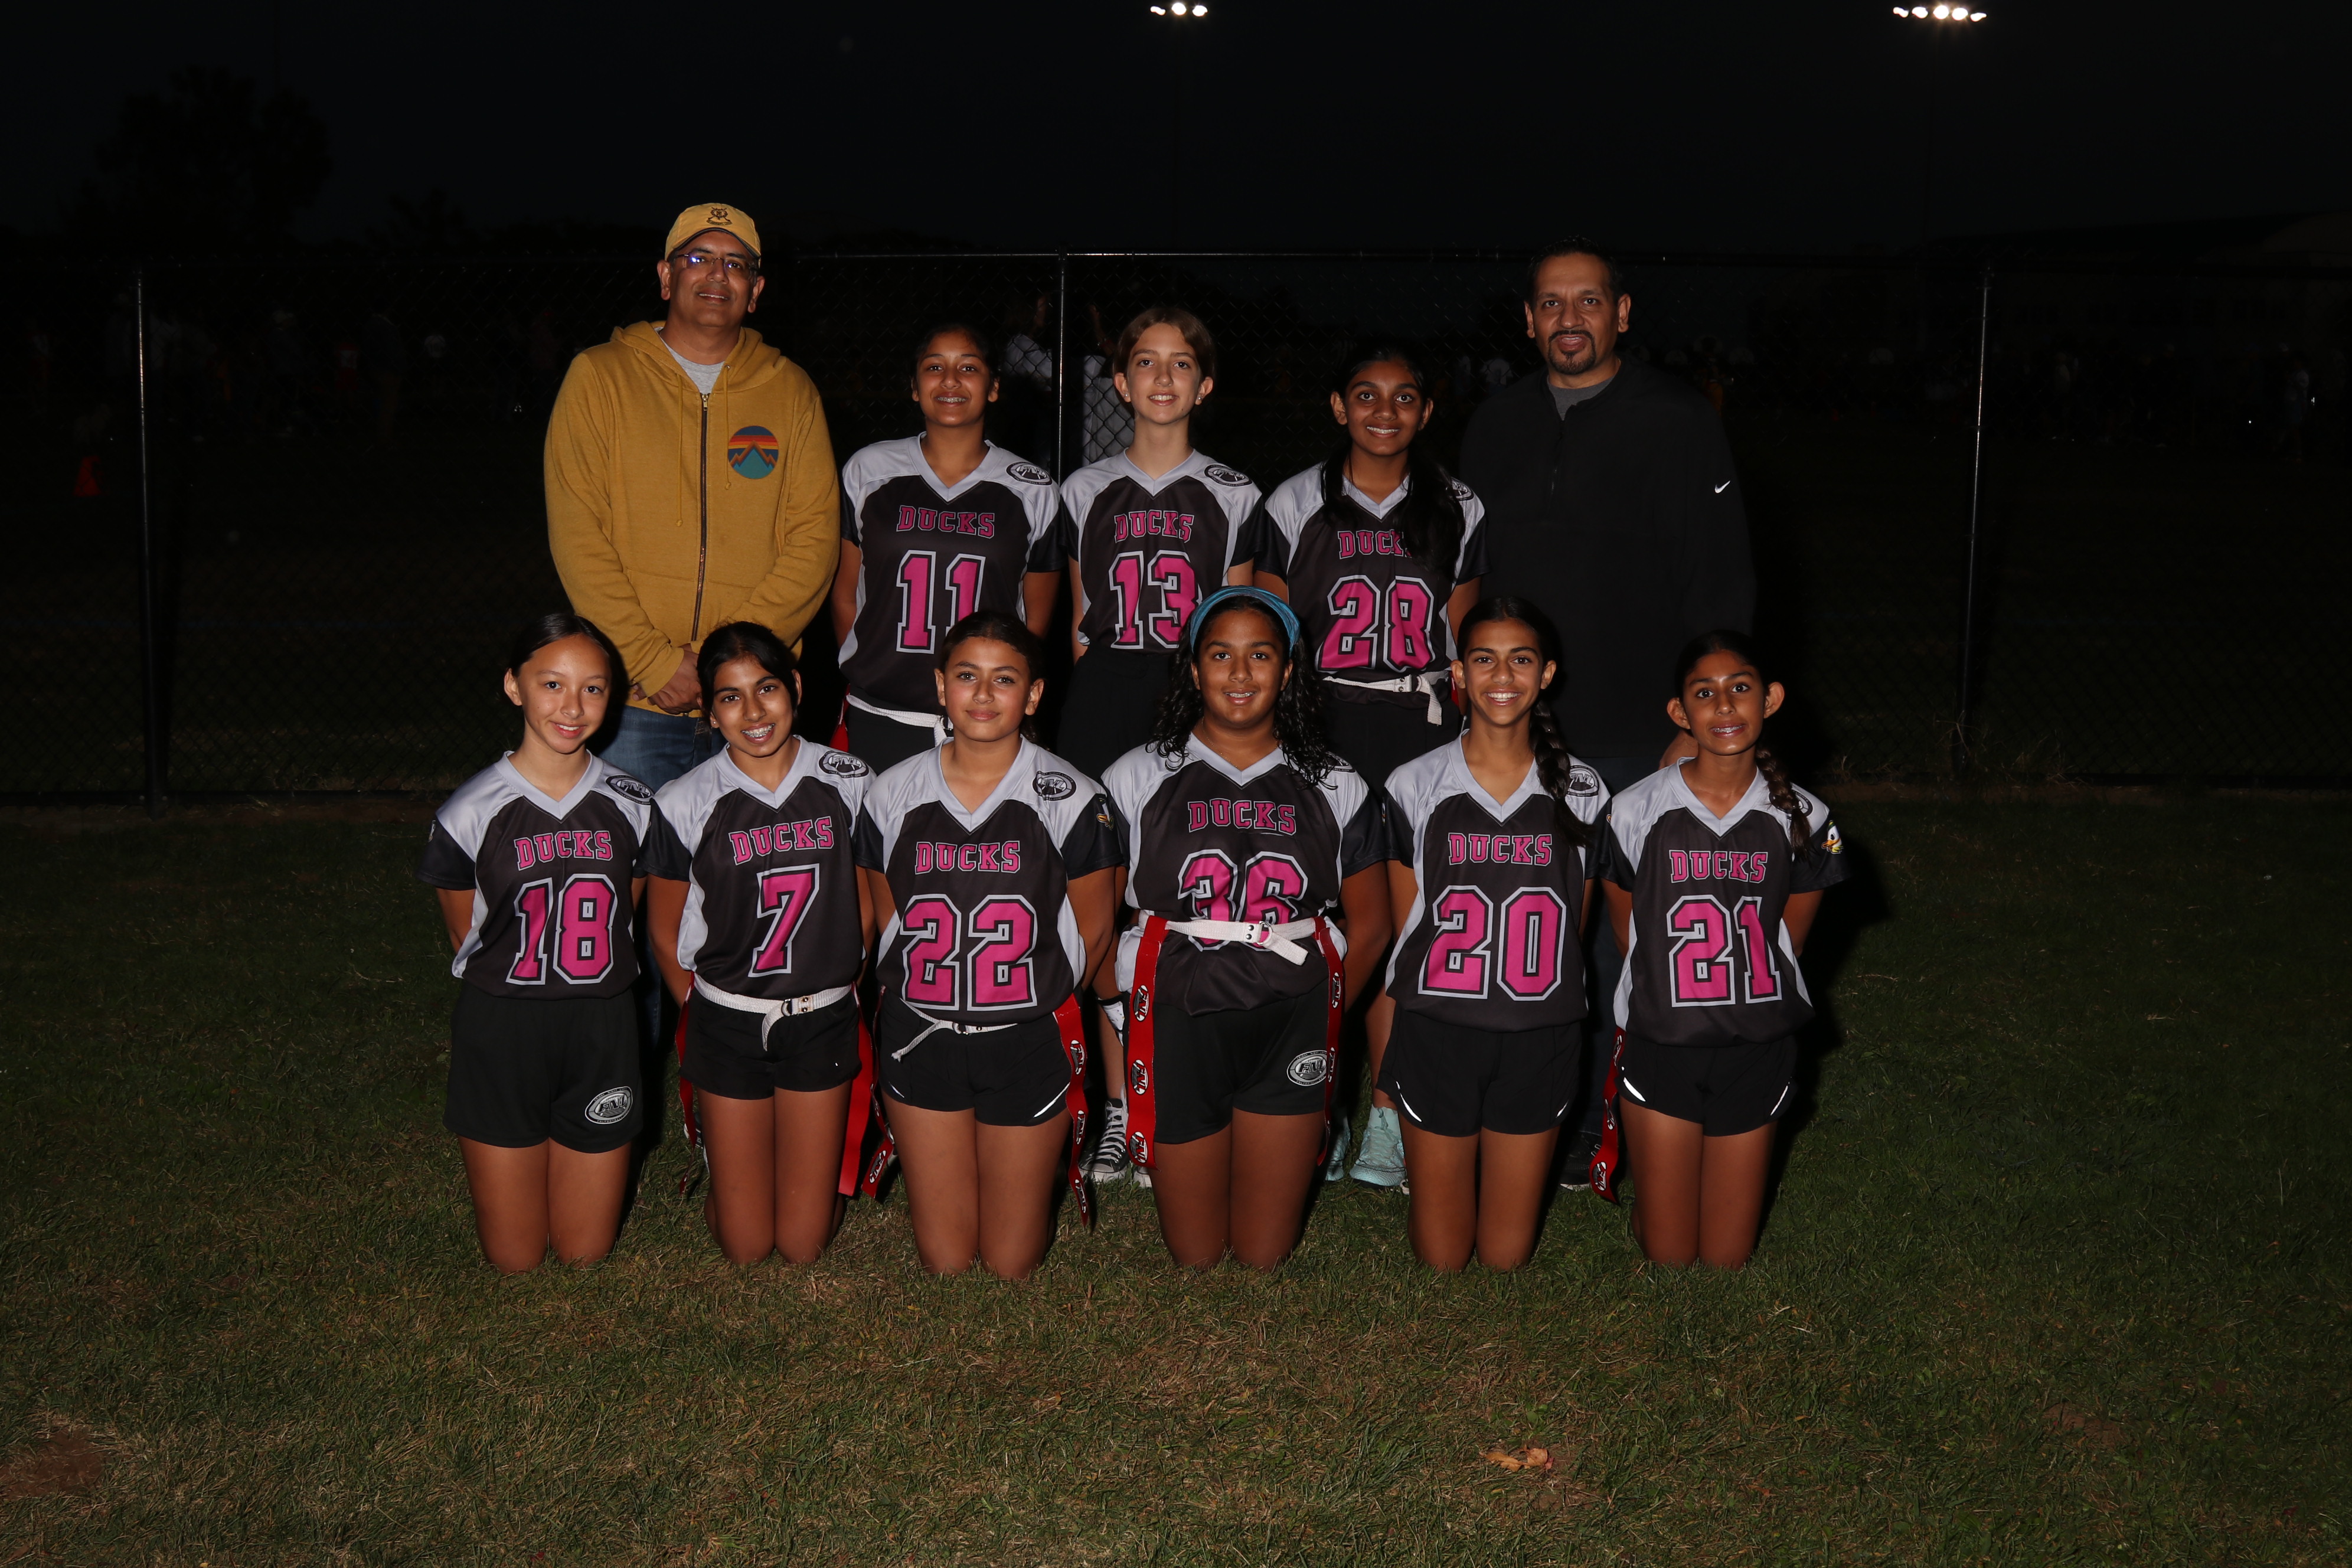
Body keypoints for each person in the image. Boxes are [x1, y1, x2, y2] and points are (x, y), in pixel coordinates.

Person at [1458, 240, 1755, 1188]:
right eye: (1552, 303)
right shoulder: (1496, 422)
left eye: (1589, 301)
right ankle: (1534, 1122)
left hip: (1637, 732)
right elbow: (1471, 577)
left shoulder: (1678, 419)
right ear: (1528, 319)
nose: (1570, 319)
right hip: (1520, 731)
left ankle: (1615, 1129)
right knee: (1530, 936)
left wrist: (1694, 725)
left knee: (1630, 946)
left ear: (1622, 314)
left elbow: (1721, 581)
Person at [1097, 587, 1391, 1269]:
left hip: (1291, 1012)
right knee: (1195, 1255)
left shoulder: (1335, 781)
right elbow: (1093, 916)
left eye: (1259, 655)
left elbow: (1374, 924)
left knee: (1264, 1255)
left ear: (1287, 671)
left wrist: (1325, 1007)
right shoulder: (1137, 774)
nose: (1239, 673)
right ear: (1193, 667)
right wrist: (1124, 1006)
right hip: (1178, 1008)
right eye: (1220, 654)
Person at [1255, 342, 1487, 1189]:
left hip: (1418, 726)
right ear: (1337, 405)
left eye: (1403, 396)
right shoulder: (1294, 501)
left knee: (1407, 927)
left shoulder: (1459, 504)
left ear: (1426, 409)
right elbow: (1272, 635)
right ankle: (1314, 1101)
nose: (1384, 411)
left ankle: (1388, 1109)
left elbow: (1463, 643)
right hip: (1322, 722)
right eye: (1365, 394)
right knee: (1315, 919)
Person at [853, 612, 1123, 1279]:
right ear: (940, 686)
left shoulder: (1075, 798)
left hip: (1025, 1037)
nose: (982, 694)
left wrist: (1036, 1008)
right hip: (922, 1032)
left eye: (1004, 679)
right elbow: (889, 917)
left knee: (1011, 1263)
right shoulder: (890, 792)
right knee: (946, 1261)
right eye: (967, 676)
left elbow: (1093, 932)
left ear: (1033, 695)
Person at [545, 202, 840, 795]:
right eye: (698, 258)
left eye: (736, 264)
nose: (716, 275)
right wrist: (653, 662)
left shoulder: (791, 390)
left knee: (748, 854)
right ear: (666, 276)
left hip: (751, 700)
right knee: (635, 851)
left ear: (756, 291)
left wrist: (731, 666)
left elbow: (815, 540)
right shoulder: (600, 378)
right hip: (635, 697)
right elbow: (578, 535)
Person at [1593, 631, 1847, 1269]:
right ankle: (1656, 1202)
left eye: (1740, 689)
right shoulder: (1633, 809)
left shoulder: (1809, 817)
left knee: (1728, 1259)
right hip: (1664, 1039)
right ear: (1679, 713)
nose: (1725, 706)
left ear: (1771, 699)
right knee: (1671, 1256)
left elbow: (1787, 942)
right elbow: (1629, 935)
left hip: (1755, 1042)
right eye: (1704, 694)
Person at [414, 615, 657, 1273]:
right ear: (513, 686)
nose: (572, 707)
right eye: (552, 684)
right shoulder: (470, 810)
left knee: (585, 1253)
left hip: (602, 1024)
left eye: (593, 688)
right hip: (503, 1025)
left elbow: (625, 920)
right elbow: (467, 934)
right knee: (515, 1260)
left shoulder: (635, 805)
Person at [1379, 599, 1608, 1269]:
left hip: (1540, 1029)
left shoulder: (1585, 789)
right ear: (1458, 673)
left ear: (1547, 674)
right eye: (1484, 659)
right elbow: (1409, 929)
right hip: (1439, 1028)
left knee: (1508, 1256)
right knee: (1443, 1257)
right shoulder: (1414, 783)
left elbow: (1574, 927)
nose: (1502, 675)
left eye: (1521, 659)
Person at [643, 622, 877, 1267]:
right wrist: (701, 1009)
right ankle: (741, 1165)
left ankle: (791, 1168)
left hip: (820, 1016)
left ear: (796, 686)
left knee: (803, 1245)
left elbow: (867, 901)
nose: (752, 712)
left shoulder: (849, 779)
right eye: (730, 697)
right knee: (745, 1247)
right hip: (729, 1017)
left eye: (767, 688)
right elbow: (664, 928)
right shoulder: (685, 800)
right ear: (709, 710)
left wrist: (843, 983)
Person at [828, 325, 1062, 773]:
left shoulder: (1032, 489)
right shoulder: (868, 469)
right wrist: (874, 669)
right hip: (883, 712)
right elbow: (844, 595)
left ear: (994, 387)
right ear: (915, 387)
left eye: (968, 368)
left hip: (982, 720)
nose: (951, 380)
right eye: (935, 367)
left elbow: (1033, 622)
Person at [1053, 306, 1262, 782]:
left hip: (1193, 681)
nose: (1164, 377)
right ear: (1123, 384)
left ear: (1204, 386)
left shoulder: (1235, 493)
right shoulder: (1083, 489)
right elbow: (1082, 616)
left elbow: (1239, 618)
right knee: (1096, 816)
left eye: (1182, 363)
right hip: (1106, 681)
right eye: (1146, 362)